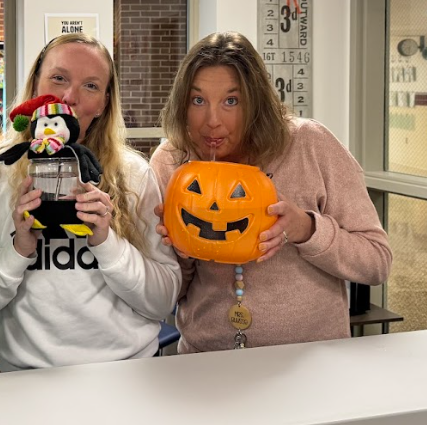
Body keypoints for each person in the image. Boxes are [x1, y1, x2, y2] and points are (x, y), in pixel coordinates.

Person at [151, 31, 392, 353]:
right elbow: (165, 296)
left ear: (256, 101)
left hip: (311, 358)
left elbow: (376, 262)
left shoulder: (310, 144)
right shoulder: (171, 161)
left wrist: (307, 229)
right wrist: (180, 252)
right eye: (198, 101)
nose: (212, 121)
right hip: (207, 358)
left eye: (231, 101)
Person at [0, 33, 182, 372]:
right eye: (58, 78)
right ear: (35, 86)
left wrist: (106, 242)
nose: (69, 97)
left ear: (104, 103)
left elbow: (163, 300)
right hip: (25, 379)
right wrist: (18, 251)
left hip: (129, 373)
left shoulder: (134, 175)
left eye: (90, 86)